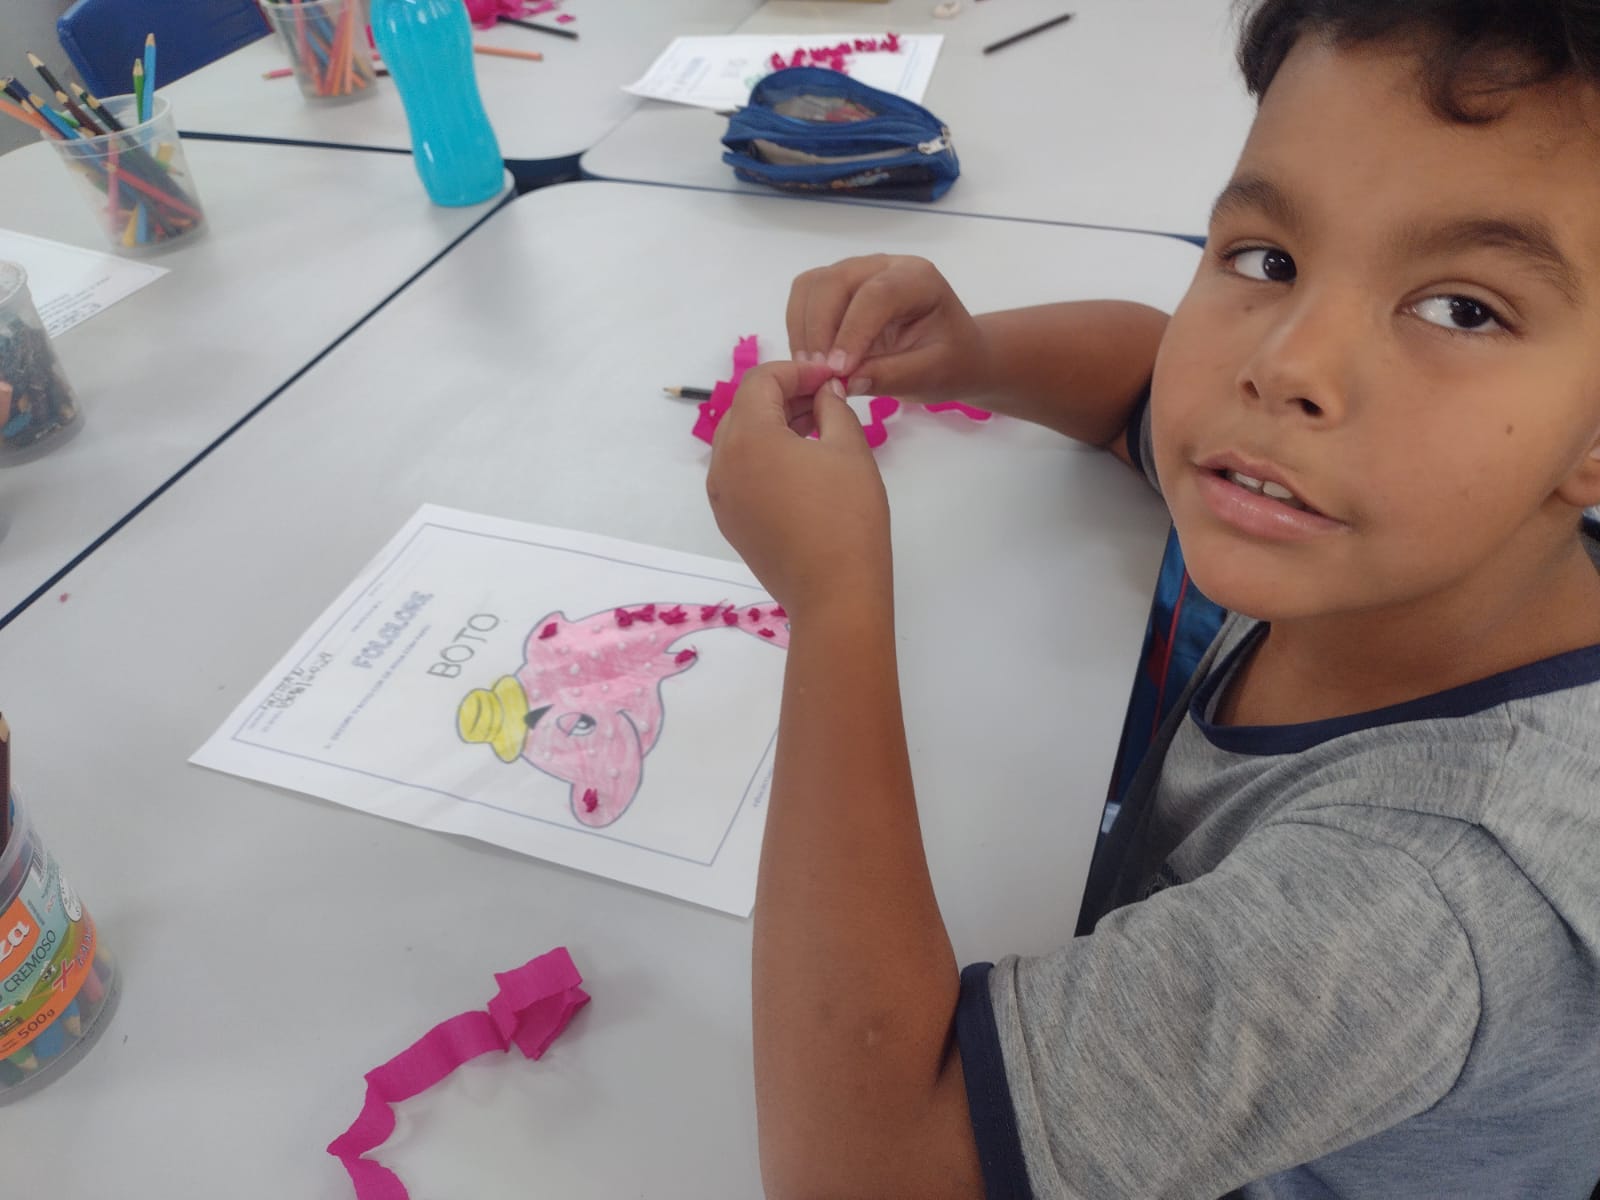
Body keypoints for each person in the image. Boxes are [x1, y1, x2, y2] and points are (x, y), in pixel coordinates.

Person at [703, 1, 1600, 1196]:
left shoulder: (1423, 902)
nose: (1282, 364)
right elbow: (1143, 375)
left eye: (1460, 309)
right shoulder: (1423, 523)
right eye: (1268, 260)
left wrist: (834, 600)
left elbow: (870, 1168)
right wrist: (970, 354)